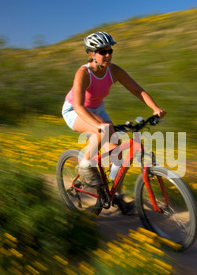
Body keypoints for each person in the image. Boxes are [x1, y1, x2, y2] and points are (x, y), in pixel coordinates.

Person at [62, 31, 166, 214]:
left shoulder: (114, 71)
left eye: (110, 50)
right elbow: (78, 106)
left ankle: (114, 194)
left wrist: (155, 108)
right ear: (92, 54)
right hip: (74, 110)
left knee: (117, 150)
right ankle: (85, 164)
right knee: (103, 130)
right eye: (102, 52)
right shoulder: (84, 72)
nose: (108, 55)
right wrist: (98, 127)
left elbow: (137, 90)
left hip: (98, 110)